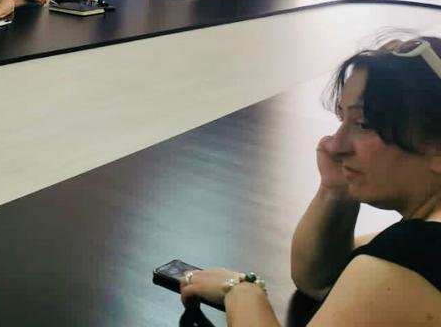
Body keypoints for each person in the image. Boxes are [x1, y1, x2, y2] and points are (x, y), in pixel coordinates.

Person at [180, 36, 441, 325]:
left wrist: (241, 291)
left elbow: (370, 273)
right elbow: (319, 278)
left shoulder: (412, 257)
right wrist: (335, 191)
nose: (334, 145)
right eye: (341, 119)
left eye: (364, 124)